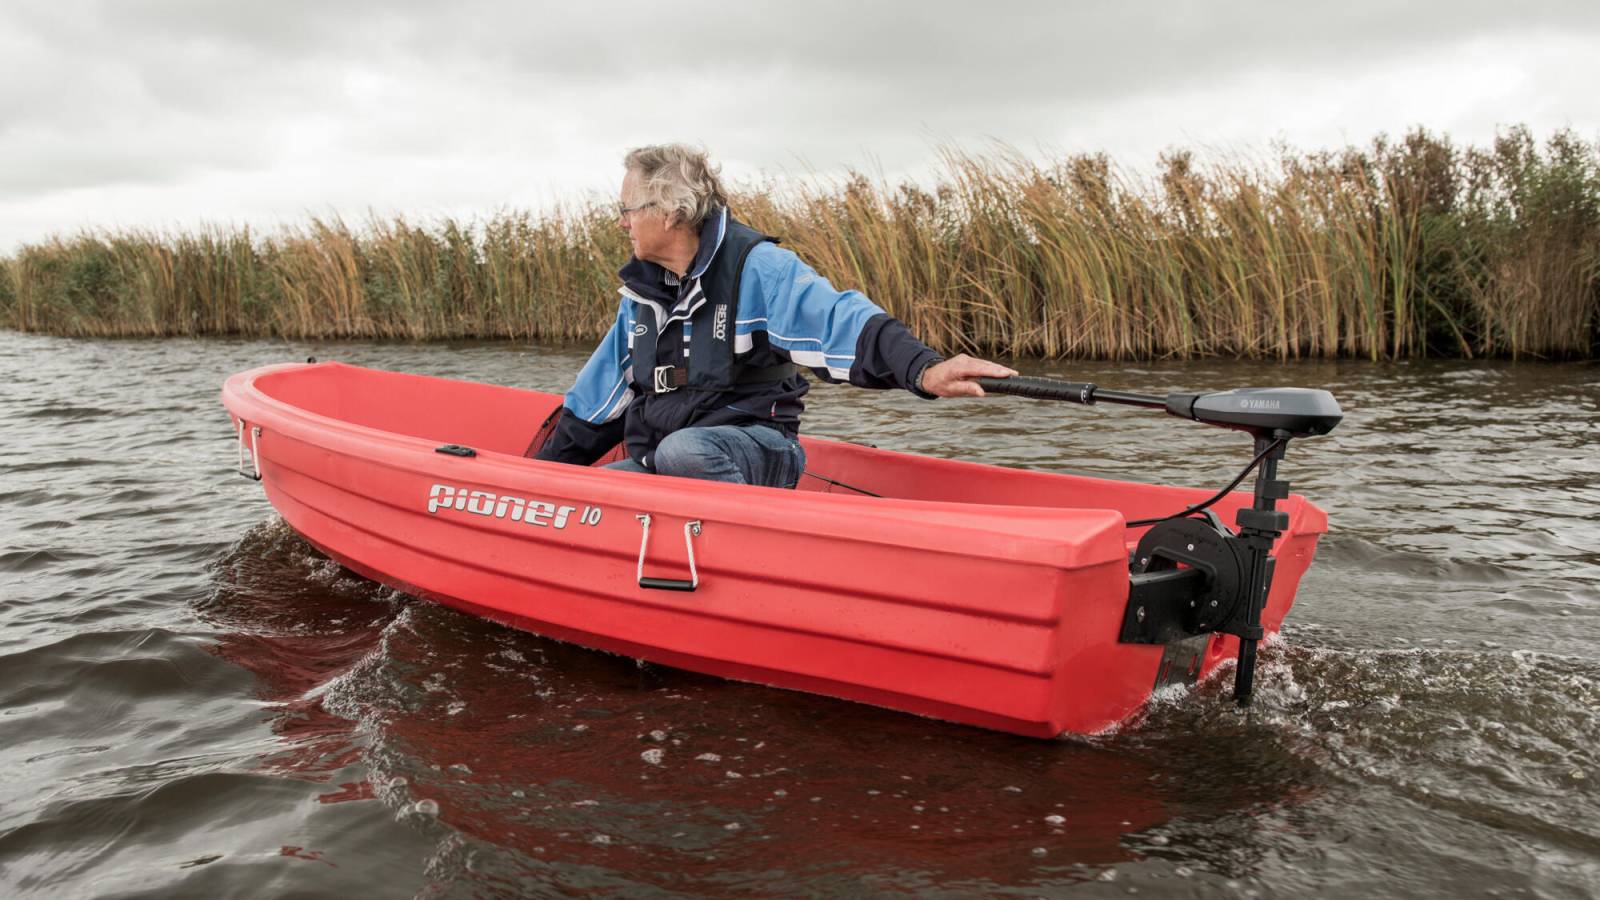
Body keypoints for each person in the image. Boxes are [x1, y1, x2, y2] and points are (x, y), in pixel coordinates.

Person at [535, 143, 1016, 487]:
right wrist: (534, 478)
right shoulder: (640, 298)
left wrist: (923, 370)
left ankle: (750, 547)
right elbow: (596, 403)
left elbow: (840, 322)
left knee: (685, 450)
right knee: (599, 488)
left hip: (760, 448)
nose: (622, 221)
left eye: (628, 209)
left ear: (672, 212)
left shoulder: (759, 269)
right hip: (664, 462)